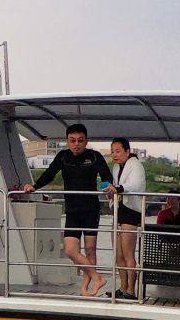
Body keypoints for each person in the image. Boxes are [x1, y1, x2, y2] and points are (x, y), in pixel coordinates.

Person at [19, 123, 112, 296]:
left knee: (90, 250)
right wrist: (34, 186)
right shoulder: (63, 157)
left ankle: (87, 286)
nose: (76, 144)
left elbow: (106, 177)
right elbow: (49, 174)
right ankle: (97, 277)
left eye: (80, 141)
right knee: (70, 250)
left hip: (91, 209)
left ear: (86, 141)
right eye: (73, 141)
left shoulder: (94, 156)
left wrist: (108, 187)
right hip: (72, 210)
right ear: (67, 141)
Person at [106, 138, 145, 300]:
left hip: (130, 211)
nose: (114, 155)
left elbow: (136, 185)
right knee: (118, 253)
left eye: (118, 151)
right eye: (112, 151)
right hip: (119, 209)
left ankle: (131, 290)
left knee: (128, 253)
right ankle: (123, 287)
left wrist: (119, 189)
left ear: (127, 151)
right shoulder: (117, 167)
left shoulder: (136, 165)